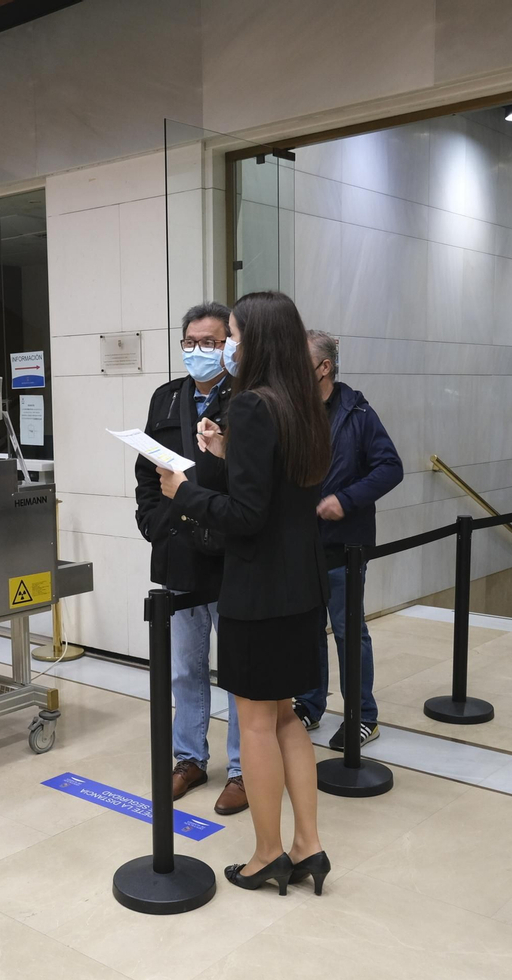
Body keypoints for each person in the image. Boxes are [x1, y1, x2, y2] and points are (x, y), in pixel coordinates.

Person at [159, 290, 332, 896]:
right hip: (301, 587)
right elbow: (280, 489)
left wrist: (185, 491)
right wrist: (227, 452)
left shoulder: (254, 404)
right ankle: (308, 845)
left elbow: (247, 514)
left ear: (255, 339)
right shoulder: (302, 403)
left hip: (258, 591)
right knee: (287, 719)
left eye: (230, 334)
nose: (226, 346)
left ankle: (266, 854)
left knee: (256, 724)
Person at [134, 301, 247, 816]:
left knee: (239, 669)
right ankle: (190, 759)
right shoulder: (166, 397)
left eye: (210, 342)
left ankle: (243, 769)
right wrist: (151, 521)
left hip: (231, 551)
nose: (198, 350)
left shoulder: (246, 399)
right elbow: (146, 470)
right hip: (178, 549)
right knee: (184, 666)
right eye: (191, 342)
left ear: (229, 345)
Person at [293, 332, 404, 749]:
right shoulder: (294, 411)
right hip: (302, 545)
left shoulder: (357, 412)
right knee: (307, 629)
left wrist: (346, 499)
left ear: (324, 367)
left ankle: (362, 715)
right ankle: (310, 704)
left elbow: (390, 467)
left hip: (345, 546)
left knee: (347, 630)